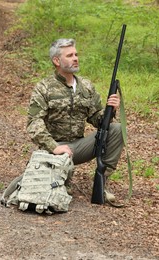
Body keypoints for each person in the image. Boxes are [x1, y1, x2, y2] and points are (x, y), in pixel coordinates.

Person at [27, 38, 124, 201]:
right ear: (56, 61)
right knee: (44, 188)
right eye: (70, 55)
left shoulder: (86, 86)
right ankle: (61, 180)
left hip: (79, 147)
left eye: (76, 54)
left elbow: (96, 119)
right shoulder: (44, 87)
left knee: (116, 129)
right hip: (54, 149)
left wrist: (110, 110)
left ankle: (101, 184)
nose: (75, 58)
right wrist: (53, 147)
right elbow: (33, 123)